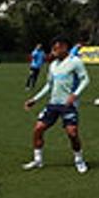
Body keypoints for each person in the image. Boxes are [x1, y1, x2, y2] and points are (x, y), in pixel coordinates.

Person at [22, 37, 91, 173]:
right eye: (53, 48)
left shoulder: (75, 62)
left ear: (65, 47)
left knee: (72, 133)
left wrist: (75, 95)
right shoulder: (53, 65)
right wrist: (35, 99)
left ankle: (79, 160)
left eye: (56, 48)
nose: (53, 51)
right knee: (38, 129)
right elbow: (49, 85)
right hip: (53, 104)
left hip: (67, 105)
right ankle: (38, 160)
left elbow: (86, 79)